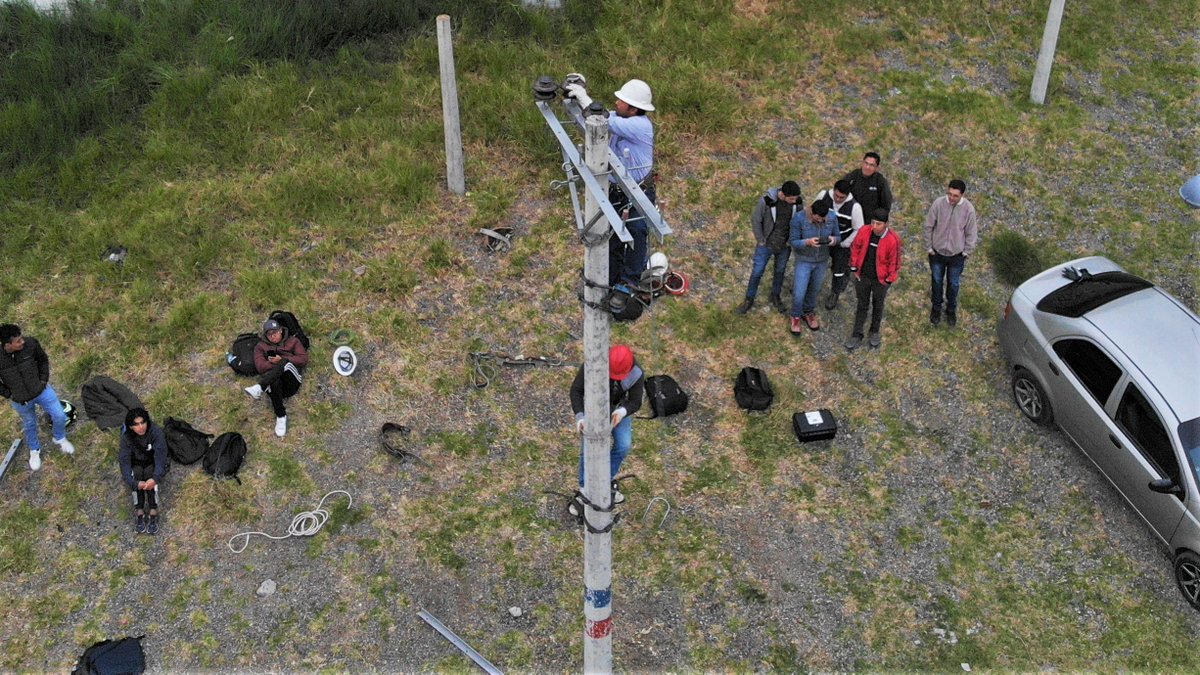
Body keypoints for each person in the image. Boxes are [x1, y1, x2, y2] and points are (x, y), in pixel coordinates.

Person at [564, 78, 656, 288]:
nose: (616, 102)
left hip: (637, 192)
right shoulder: (621, 117)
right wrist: (579, 100)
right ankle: (610, 280)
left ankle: (629, 283)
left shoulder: (640, 126)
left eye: (621, 101)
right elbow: (595, 119)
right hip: (617, 190)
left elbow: (604, 120)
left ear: (633, 109)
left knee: (636, 231)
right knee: (612, 237)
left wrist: (583, 97)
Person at [568, 344, 645, 517]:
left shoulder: (637, 373)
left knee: (624, 445)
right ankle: (585, 489)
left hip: (617, 408)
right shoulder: (592, 364)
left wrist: (622, 411)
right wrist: (581, 417)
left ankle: (603, 481)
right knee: (588, 446)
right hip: (594, 407)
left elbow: (636, 401)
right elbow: (576, 390)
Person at [0, 324, 74, 471]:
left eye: (22, 338)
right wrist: (10, 394)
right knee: (29, 424)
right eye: (18, 341)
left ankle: (59, 437)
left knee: (59, 415)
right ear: (8, 345)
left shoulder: (31, 344)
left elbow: (43, 360)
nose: (23, 342)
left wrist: (43, 380)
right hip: (20, 400)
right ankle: (34, 450)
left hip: (42, 391)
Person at [736, 180, 803, 314]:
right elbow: (756, 219)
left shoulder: (798, 203)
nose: (794, 201)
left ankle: (775, 295)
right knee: (757, 272)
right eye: (791, 198)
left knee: (780, 271)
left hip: (784, 245)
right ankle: (749, 299)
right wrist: (760, 239)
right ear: (783, 194)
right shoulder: (766, 201)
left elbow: (799, 220)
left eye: (795, 198)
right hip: (766, 244)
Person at [845, 209, 903, 350]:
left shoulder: (893, 240)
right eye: (873, 223)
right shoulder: (864, 231)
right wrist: (854, 266)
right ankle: (857, 334)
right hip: (863, 276)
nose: (874, 226)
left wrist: (889, 279)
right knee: (862, 305)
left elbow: (894, 262)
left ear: (886, 224)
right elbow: (856, 247)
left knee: (878, 305)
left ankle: (874, 331)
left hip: (881, 280)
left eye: (878, 224)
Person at [924, 179, 978, 327]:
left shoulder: (968, 209)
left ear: (962, 195)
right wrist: (929, 247)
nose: (951, 198)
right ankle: (936, 308)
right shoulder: (938, 204)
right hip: (937, 253)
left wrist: (966, 252)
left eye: (955, 195)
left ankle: (951, 310)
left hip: (956, 255)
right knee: (936, 282)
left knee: (953, 284)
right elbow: (929, 226)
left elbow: (971, 233)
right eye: (949, 194)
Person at [243, 319, 309, 437]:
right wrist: (275, 366)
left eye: (276, 332)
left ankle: (260, 387)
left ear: (281, 331)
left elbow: (303, 359)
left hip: (292, 381)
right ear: (266, 335)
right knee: (274, 380)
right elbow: (260, 366)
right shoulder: (261, 346)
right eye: (270, 334)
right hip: (275, 388)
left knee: (285, 364)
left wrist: (283, 360)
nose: (273, 336)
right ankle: (281, 416)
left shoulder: (292, 341)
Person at [788, 200, 840, 333]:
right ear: (813, 212)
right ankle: (795, 315)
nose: (821, 220)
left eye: (824, 218)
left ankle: (808, 312)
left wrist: (832, 240)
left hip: (822, 260)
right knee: (799, 292)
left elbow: (838, 237)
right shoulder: (799, 218)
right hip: (804, 260)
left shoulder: (832, 217)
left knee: (814, 289)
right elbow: (793, 241)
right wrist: (807, 242)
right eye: (819, 218)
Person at [814, 179, 865, 310]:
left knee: (839, 270)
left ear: (848, 195)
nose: (837, 199)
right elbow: (813, 212)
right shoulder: (823, 195)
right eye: (836, 195)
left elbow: (859, 229)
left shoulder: (855, 208)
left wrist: (845, 243)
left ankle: (835, 293)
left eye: (841, 197)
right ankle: (808, 284)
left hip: (841, 244)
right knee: (814, 262)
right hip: (823, 238)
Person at [118, 408, 168, 535]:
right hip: (137, 464)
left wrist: (155, 478)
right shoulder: (126, 438)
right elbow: (124, 460)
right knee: (137, 475)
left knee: (151, 475)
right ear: (130, 427)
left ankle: (153, 508)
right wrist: (132, 482)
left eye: (143, 422)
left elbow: (161, 457)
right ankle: (139, 509)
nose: (141, 427)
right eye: (136, 424)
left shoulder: (156, 432)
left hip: (152, 462)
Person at [840, 152, 893, 222]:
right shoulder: (852, 176)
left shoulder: (880, 181)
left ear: (876, 168)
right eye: (866, 163)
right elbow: (840, 192)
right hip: (850, 220)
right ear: (862, 162)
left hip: (870, 223)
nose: (867, 167)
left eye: (871, 165)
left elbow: (886, 205)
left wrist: (879, 221)